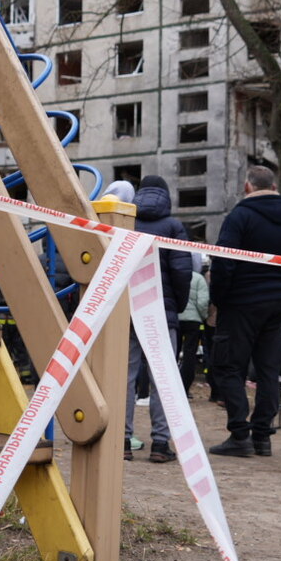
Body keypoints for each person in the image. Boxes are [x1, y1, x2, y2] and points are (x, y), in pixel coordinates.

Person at [208, 165, 281, 458]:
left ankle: (240, 434)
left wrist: (220, 299)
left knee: (228, 367)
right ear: (274, 186)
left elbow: (223, 262)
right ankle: (263, 436)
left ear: (247, 187)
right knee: (268, 372)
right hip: (278, 303)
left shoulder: (239, 217)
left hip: (240, 302)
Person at [125, 175, 190, 462]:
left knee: (125, 378)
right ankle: (160, 444)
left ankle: (122, 441)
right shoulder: (174, 227)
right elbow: (182, 271)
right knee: (162, 380)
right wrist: (177, 304)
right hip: (162, 313)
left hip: (126, 310)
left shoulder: (125, 222)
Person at [178, 255, 210, 393]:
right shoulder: (199, 279)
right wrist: (203, 316)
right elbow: (202, 302)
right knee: (189, 355)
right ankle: (184, 388)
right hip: (193, 321)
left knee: (172, 352)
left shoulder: (177, 276)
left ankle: (171, 386)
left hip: (176, 318)